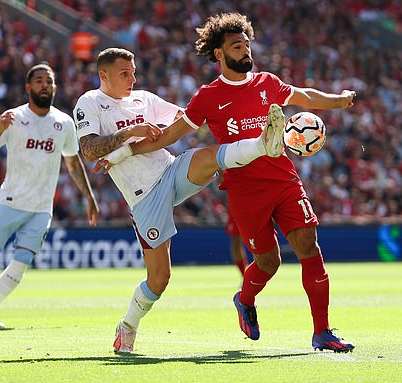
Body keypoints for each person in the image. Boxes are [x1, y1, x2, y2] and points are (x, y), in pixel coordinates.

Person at [106, 13, 356, 352]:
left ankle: (322, 332)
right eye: (237, 46)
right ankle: (245, 298)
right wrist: (122, 153)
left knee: (309, 247)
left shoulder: (267, 82)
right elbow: (168, 136)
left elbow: (305, 96)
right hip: (245, 190)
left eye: (247, 44)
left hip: (283, 179)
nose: (245, 50)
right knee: (269, 262)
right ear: (219, 54)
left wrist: (337, 100)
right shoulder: (208, 97)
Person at [76, 47, 285, 353]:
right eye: (124, 73)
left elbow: (186, 118)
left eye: (134, 71)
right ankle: (128, 326)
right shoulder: (90, 102)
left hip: (171, 170)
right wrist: (129, 133)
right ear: (103, 75)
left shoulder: (144, 98)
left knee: (209, 156)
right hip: (144, 196)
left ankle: (263, 144)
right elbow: (90, 150)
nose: (132, 78)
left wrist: (220, 114)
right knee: (159, 279)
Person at [0, 63, 99, 328]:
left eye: (49, 81)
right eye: (39, 81)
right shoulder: (12, 117)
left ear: (55, 87)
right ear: (28, 87)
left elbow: (73, 163)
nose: (44, 85)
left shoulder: (64, 122)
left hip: (41, 209)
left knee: (21, 263)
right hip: (10, 202)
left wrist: (89, 197)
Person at [226, 204, 248, 276]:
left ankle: (248, 276)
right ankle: (245, 276)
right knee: (236, 246)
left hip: (243, 205)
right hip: (235, 206)